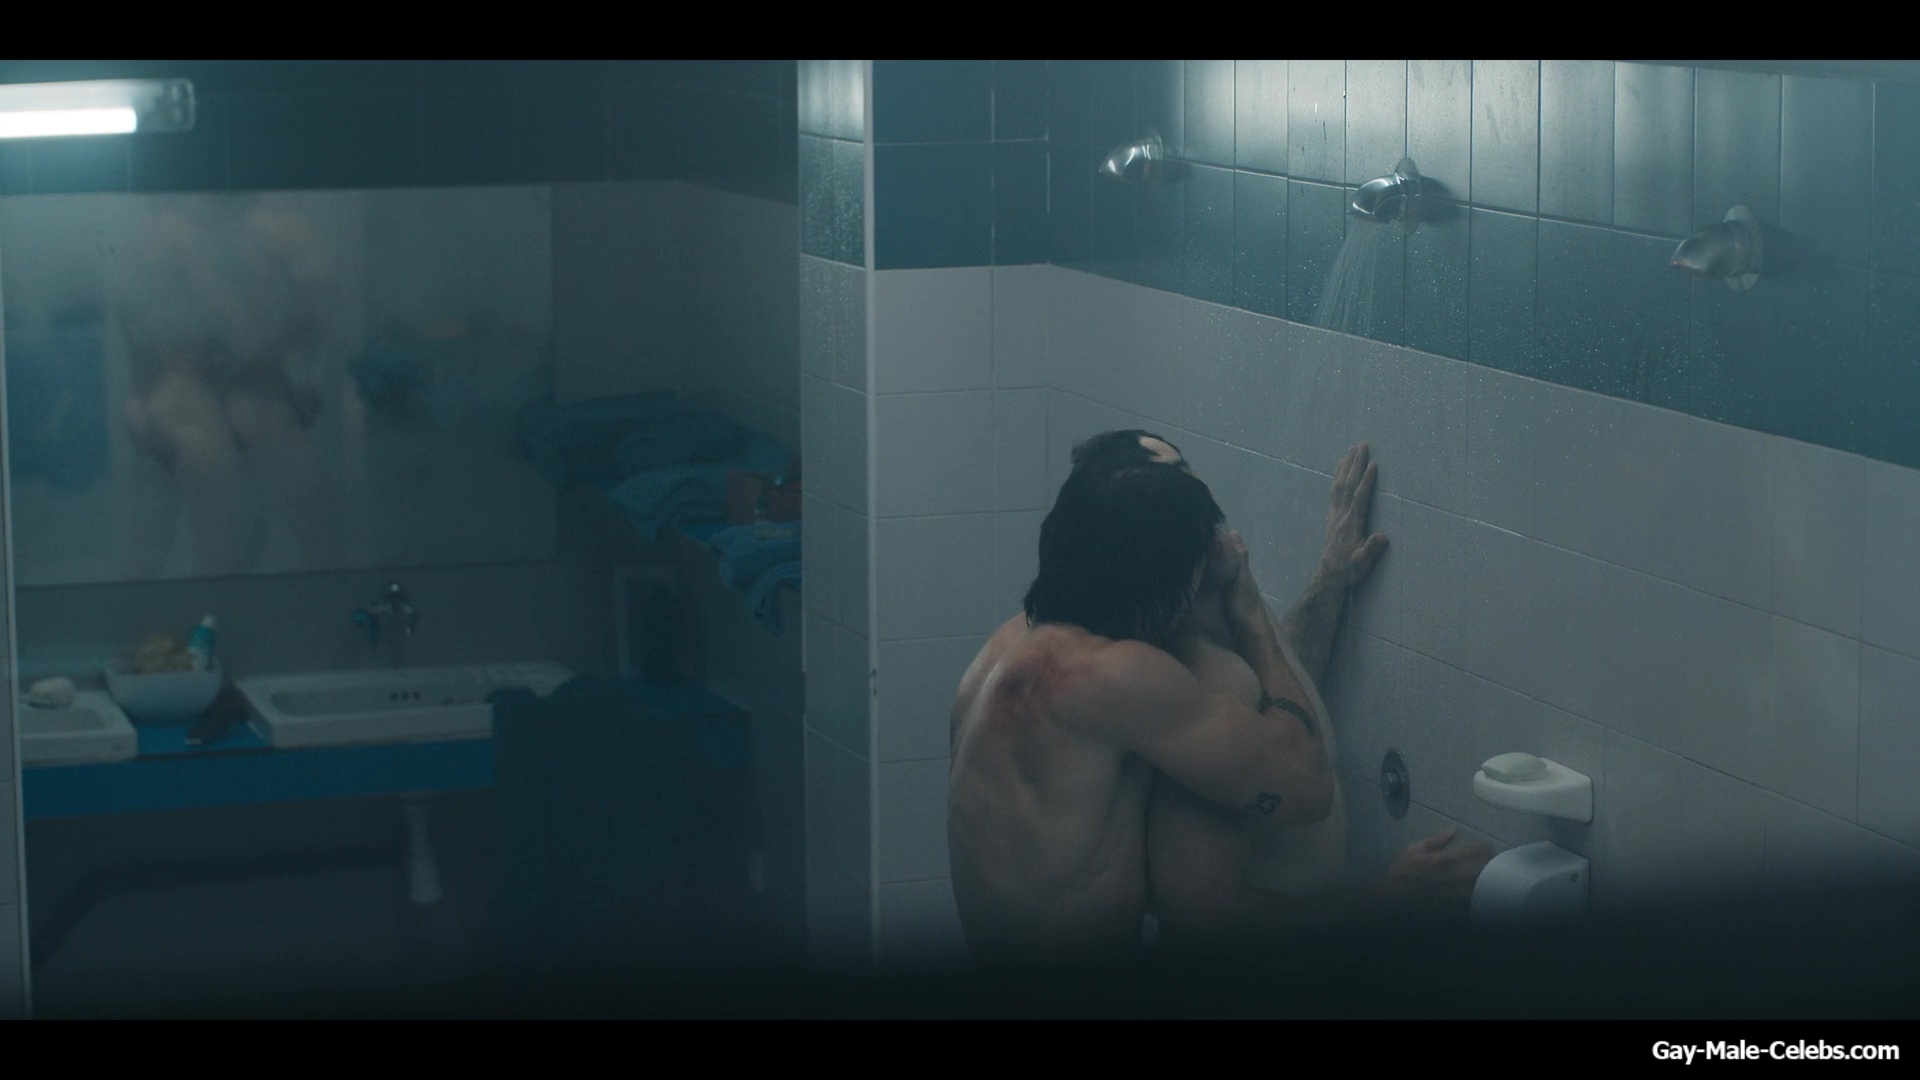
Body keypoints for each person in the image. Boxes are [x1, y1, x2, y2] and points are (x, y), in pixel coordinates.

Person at [1064, 431, 1491, 956]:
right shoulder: (1191, 686)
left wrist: (1330, 581)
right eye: (1178, 485)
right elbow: (1203, 916)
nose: (1203, 496)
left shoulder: (1223, 603)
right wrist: (1383, 900)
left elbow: (1282, 698)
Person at [947, 457, 1336, 967]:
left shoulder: (1006, 646)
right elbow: (1307, 786)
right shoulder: (1113, 677)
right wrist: (1249, 615)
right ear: (1170, 587)